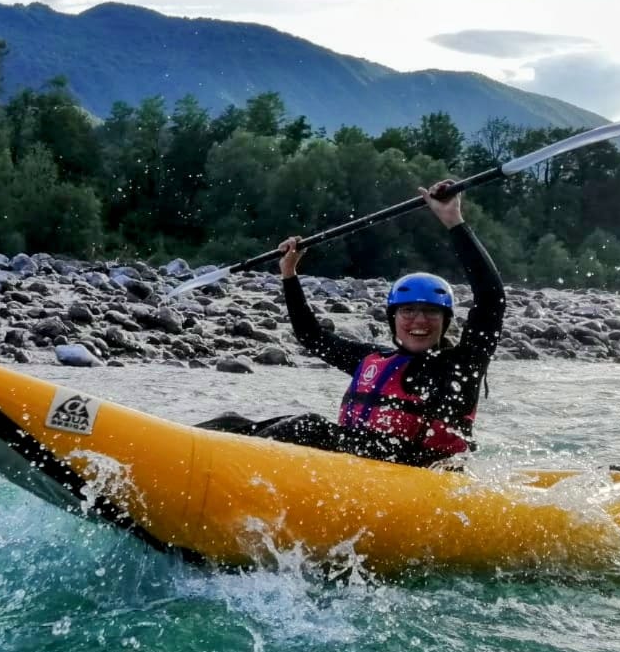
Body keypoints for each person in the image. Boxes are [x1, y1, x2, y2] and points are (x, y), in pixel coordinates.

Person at [197, 180, 506, 468]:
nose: (419, 321)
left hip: (421, 480)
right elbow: (310, 336)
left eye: (431, 313)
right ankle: (191, 451)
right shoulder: (374, 360)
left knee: (308, 425)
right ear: (393, 319)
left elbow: (491, 298)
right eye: (408, 311)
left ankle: (222, 465)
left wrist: (454, 221)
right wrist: (289, 274)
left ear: (445, 321)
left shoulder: (460, 368)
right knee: (232, 421)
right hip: (358, 475)